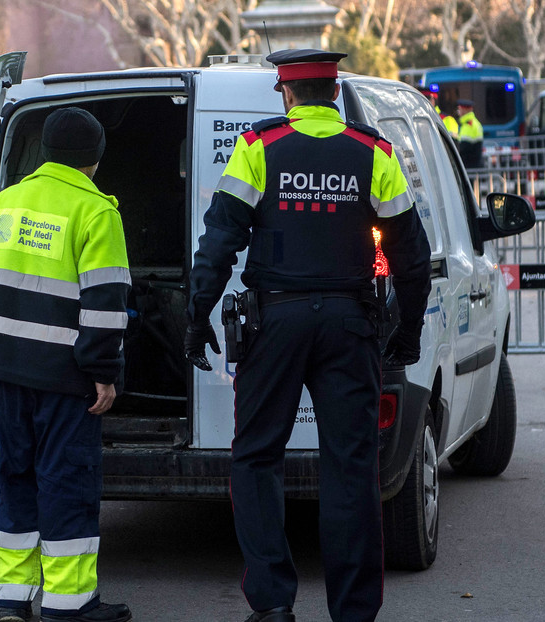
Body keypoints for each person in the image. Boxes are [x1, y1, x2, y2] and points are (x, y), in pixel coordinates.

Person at [184, 49, 431, 622]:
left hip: (275, 323)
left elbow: (220, 240)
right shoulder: (374, 153)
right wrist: (409, 330)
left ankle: (272, 604)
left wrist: (197, 317)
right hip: (351, 324)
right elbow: (410, 255)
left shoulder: (258, 147)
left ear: (287, 94)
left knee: (256, 457)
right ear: (336, 91)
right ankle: (353, 612)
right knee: (351, 465)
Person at [0, 107, 133, 622]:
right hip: (65, 382)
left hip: (6, 377)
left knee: (14, 481)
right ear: (95, 159)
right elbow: (105, 304)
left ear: (44, 153)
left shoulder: (6, 203)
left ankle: (13, 601)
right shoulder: (97, 212)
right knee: (67, 484)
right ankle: (69, 605)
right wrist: (103, 372)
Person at [456, 99, 484, 169]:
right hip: (473, 165)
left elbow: (464, 148)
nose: (458, 112)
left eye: (459, 109)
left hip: (469, 166)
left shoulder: (469, 125)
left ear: (465, 110)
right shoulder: (472, 123)